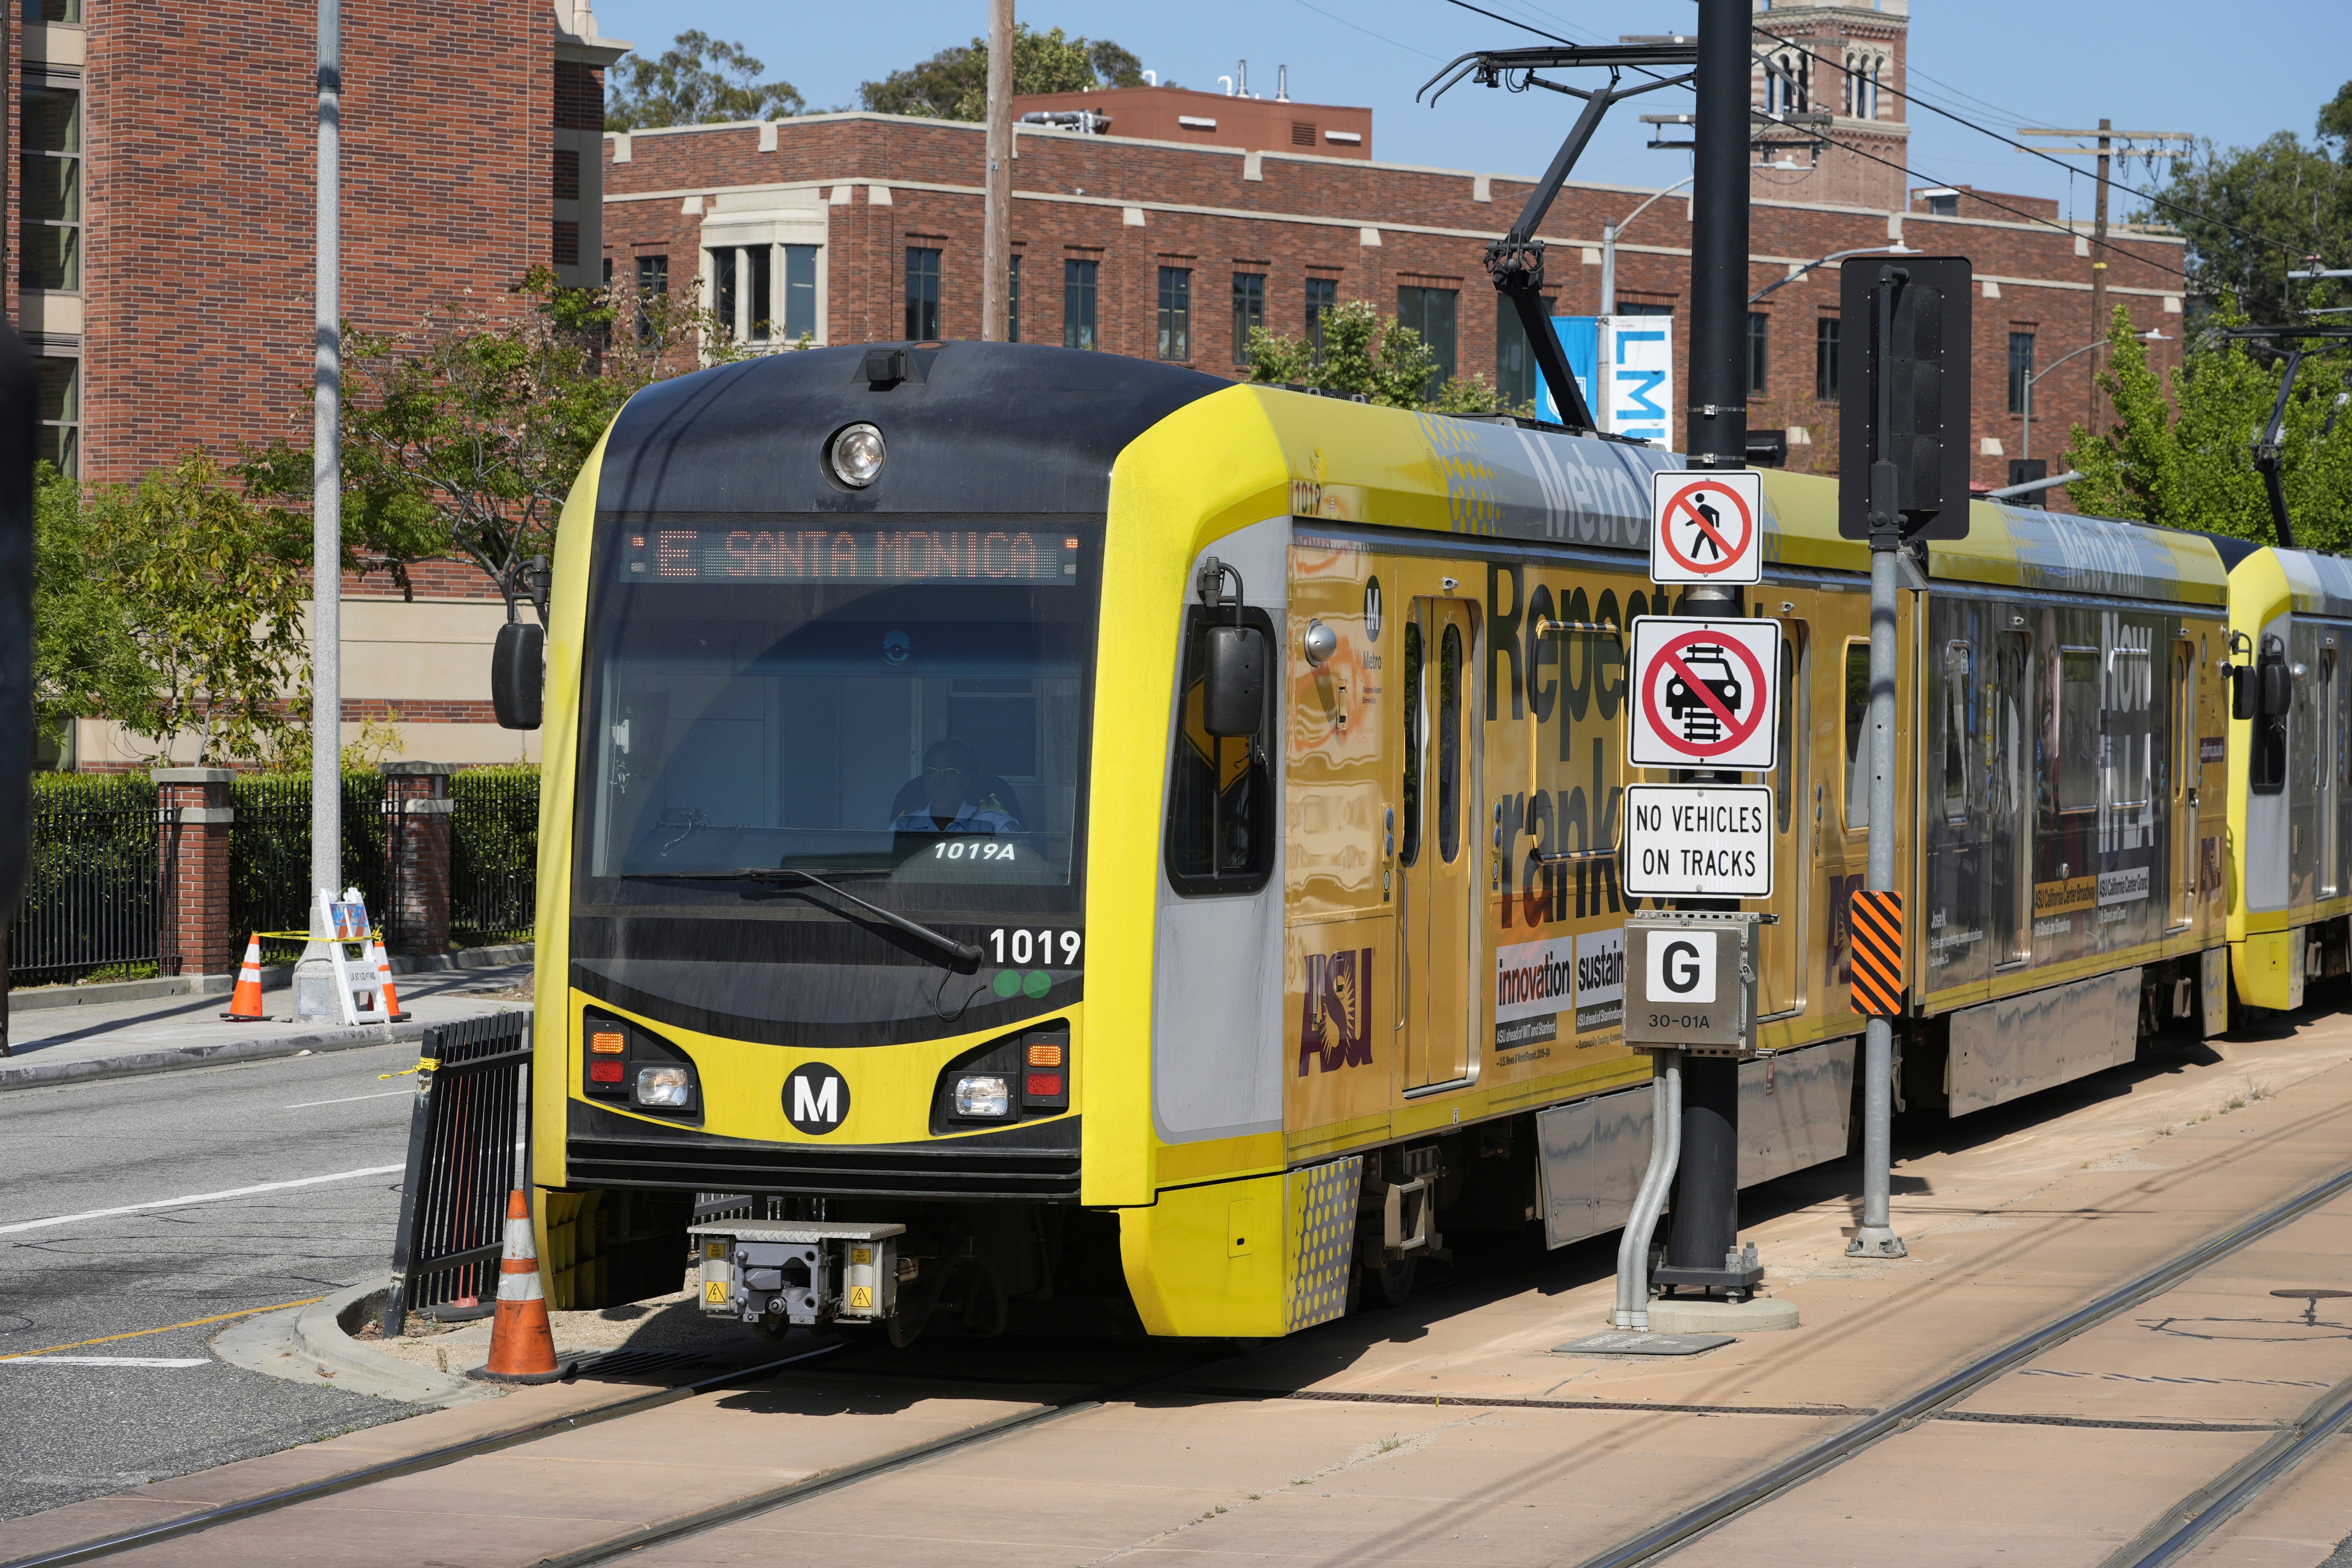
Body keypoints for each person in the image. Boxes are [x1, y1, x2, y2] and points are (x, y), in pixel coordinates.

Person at [889, 739, 1024, 834]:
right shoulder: (904, 826)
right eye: (932, 772)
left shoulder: (995, 824)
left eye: (950, 773)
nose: (939, 780)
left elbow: (1020, 868)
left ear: (967, 780)